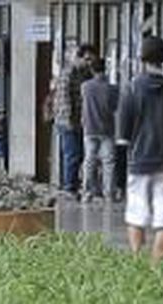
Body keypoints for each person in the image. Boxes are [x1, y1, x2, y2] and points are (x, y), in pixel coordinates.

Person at [116, 36, 163, 262]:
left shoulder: (132, 88)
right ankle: (156, 267)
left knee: (136, 215)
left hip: (139, 161)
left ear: (142, 59)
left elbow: (123, 133)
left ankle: (138, 263)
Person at [53, 44, 98, 194]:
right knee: (72, 154)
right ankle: (69, 187)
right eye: (87, 59)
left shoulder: (86, 73)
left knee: (79, 154)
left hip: (80, 121)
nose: (89, 63)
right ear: (78, 57)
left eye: (92, 60)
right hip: (68, 121)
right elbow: (64, 99)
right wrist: (69, 122)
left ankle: (73, 183)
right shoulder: (69, 73)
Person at [80, 57, 119, 203]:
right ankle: (109, 193)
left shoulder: (85, 87)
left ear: (92, 70)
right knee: (108, 162)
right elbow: (115, 107)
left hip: (89, 128)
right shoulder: (112, 88)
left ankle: (87, 192)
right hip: (107, 128)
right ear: (105, 70)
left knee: (89, 161)